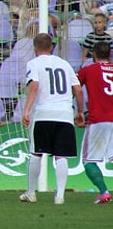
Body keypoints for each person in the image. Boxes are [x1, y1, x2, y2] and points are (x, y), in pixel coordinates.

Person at [20, 33, 84, 205]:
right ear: (51, 47)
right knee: (61, 156)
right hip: (64, 114)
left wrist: (26, 111)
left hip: (44, 114)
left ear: (35, 48)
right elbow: (78, 90)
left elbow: (34, 86)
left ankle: (31, 193)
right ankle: (60, 196)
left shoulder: (33, 63)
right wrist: (80, 112)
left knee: (36, 153)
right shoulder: (64, 64)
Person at [76, 41, 113, 204]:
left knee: (88, 161)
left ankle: (104, 192)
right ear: (109, 55)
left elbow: (75, 86)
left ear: (94, 55)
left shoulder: (88, 70)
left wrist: (79, 110)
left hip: (98, 120)